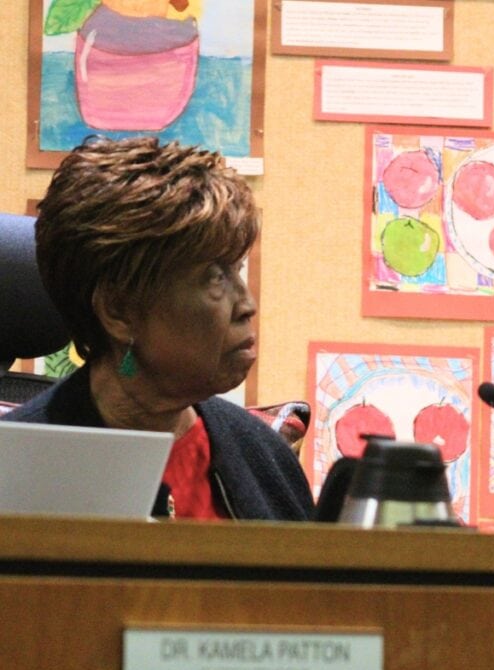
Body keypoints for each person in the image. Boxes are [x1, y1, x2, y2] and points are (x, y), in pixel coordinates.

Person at [2, 136, 314, 522]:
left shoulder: (265, 455)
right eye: (214, 278)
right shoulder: (15, 472)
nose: (247, 305)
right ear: (118, 311)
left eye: (236, 269)